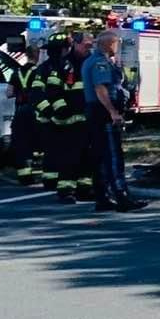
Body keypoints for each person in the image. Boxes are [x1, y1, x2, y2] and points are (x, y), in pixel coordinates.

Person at [83, 30, 147, 213]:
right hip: (103, 113)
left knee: (101, 156)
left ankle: (103, 198)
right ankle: (122, 197)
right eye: (116, 43)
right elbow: (100, 89)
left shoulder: (93, 61)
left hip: (97, 113)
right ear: (109, 44)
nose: (118, 46)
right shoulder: (100, 63)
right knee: (112, 156)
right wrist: (112, 112)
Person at [53, 31, 94, 204]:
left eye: (90, 45)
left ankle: (84, 188)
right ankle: (66, 190)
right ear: (76, 44)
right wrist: (62, 109)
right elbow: (53, 90)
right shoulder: (64, 64)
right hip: (68, 120)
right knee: (69, 157)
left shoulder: (91, 62)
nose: (89, 48)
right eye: (86, 45)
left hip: (88, 117)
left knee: (87, 155)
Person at [29, 33, 71, 191]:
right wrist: (52, 112)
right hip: (53, 119)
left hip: (52, 119)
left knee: (53, 151)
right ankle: (54, 181)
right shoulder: (56, 68)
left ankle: (52, 181)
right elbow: (37, 95)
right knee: (58, 151)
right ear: (64, 49)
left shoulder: (44, 68)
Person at [7, 45, 39, 185]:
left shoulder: (16, 72)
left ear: (26, 55)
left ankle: (24, 175)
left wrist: (20, 93)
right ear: (37, 54)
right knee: (37, 141)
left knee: (22, 143)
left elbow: (8, 93)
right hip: (35, 111)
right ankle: (40, 172)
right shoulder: (38, 71)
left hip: (20, 111)